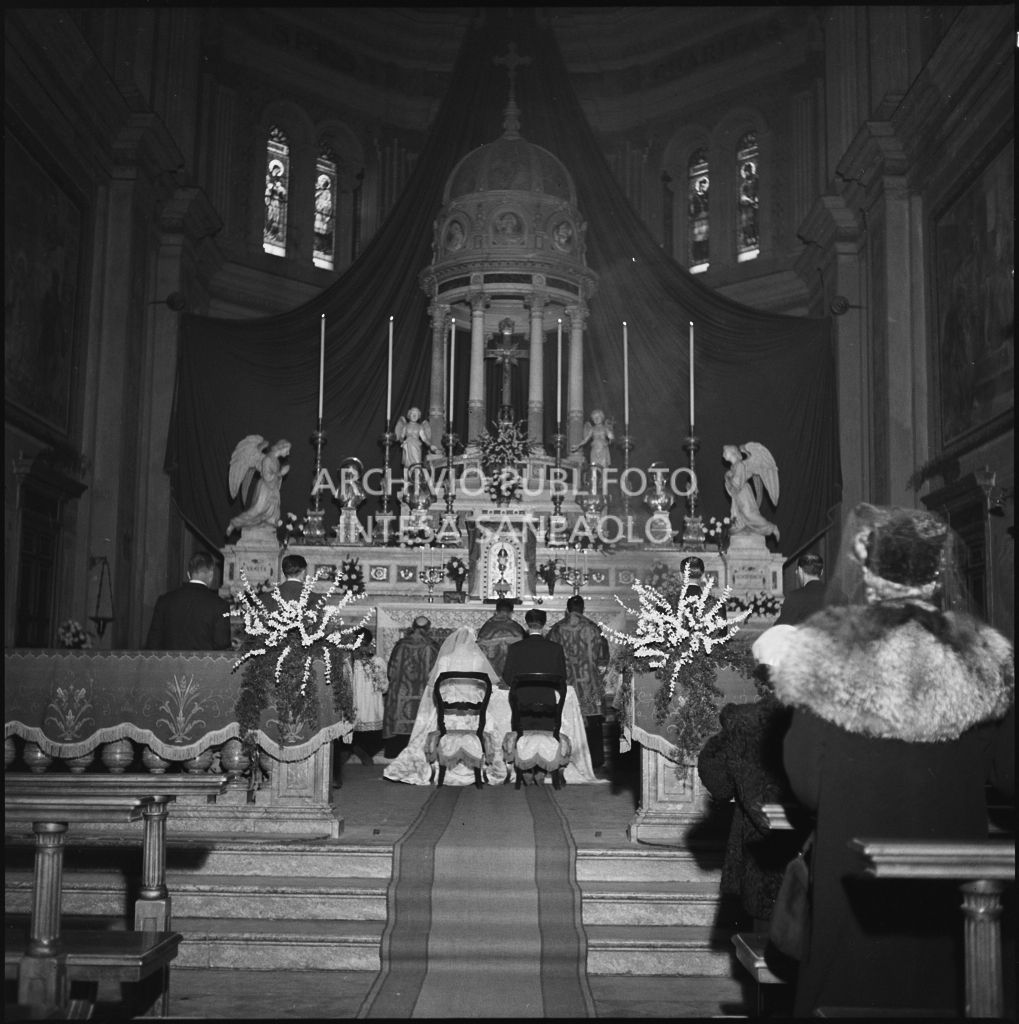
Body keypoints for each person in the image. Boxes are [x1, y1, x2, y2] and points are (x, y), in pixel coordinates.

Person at [772, 503, 1013, 1017]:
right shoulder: (984, 655)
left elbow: (806, 784)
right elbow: (1010, 777)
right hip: (961, 894)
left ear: (869, 571)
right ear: (936, 573)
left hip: (853, 882)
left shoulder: (827, 651)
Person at [697, 625, 806, 935]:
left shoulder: (743, 721)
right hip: (813, 852)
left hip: (761, 852)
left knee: (765, 935)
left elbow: (717, 781)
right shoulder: (824, 717)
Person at [383, 626, 502, 786]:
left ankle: (435, 768)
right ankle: (486, 768)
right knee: (492, 722)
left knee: (428, 726)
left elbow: (436, 685)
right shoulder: (478, 659)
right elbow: (485, 685)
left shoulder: (445, 659)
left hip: (447, 713)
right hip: (474, 713)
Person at [547, 596, 610, 772]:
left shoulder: (557, 629)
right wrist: (598, 674)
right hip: (589, 681)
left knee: (565, 718)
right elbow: (603, 659)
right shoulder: (593, 628)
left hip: (565, 682)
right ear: (583, 609)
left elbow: (550, 656)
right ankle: (595, 760)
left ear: (567, 610)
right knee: (592, 720)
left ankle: (564, 758)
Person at [145, 551, 231, 651]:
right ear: (211, 575)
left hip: (170, 665)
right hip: (203, 666)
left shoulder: (164, 601)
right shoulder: (220, 605)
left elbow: (153, 643)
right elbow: (222, 645)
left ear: (188, 574)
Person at [382, 615, 440, 760]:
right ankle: (420, 752)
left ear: (413, 627)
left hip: (401, 690)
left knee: (397, 712)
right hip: (422, 692)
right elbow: (436, 673)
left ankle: (395, 752)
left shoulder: (401, 645)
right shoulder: (431, 646)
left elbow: (391, 671)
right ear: (428, 629)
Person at [335, 627, 388, 773]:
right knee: (372, 735)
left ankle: (353, 748)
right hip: (368, 706)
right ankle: (356, 749)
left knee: (356, 733)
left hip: (358, 705)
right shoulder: (376, 661)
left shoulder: (349, 661)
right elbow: (384, 687)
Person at [227, 435, 292, 535]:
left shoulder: (276, 461)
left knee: (271, 515)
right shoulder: (268, 458)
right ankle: (234, 523)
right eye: (287, 450)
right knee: (257, 510)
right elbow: (267, 476)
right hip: (265, 489)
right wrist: (281, 473)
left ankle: (265, 530)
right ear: (281, 448)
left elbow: (275, 477)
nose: (288, 453)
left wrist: (279, 474)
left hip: (272, 491)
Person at [722, 442, 780, 540]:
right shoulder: (734, 466)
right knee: (739, 517)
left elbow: (737, 483)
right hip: (737, 495)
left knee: (750, 514)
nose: (723, 454)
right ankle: (744, 529)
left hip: (743, 494)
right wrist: (728, 477)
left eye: (725, 452)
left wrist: (728, 477)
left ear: (732, 453)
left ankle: (772, 528)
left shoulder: (740, 465)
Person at [502, 608, 568, 692]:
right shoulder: (556, 648)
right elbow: (562, 677)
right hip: (548, 699)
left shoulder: (515, 648)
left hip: (520, 700)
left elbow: (508, 678)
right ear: (544, 624)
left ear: (527, 624)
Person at [476, 598, 526, 682]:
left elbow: (479, 649)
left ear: (496, 611)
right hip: (511, 677)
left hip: (489, 677)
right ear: (511, 613)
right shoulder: (517, 628)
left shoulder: (486, 628)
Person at [775, 553, 824, 625]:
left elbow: (781, 628)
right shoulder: (840, 596)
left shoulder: (795, 597)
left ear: (800, 570)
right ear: (822, 571)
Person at [572, 410, 614, 491]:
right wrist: (578, 446)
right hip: (594, 450)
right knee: (593, 470)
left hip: (603, 450)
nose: (596, 419)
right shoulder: (592, 429)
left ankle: (604, 490)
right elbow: (585, 439)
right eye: (594, 418)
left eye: (597, 417)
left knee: (603, 470)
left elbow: (611, 439)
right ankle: (594, 489)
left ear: (601, 418)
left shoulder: (605, 428)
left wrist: (610, 438)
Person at [394, 407, 436, 473]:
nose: (414, 415)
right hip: (408, 446)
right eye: (412, 414)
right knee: (408, 466)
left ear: (418, 416)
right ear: (409, 415)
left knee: (417, 464)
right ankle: (407, 479)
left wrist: (430, 445)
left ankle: (417, 478)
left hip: (416, 447)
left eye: (416, 414)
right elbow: (401, 437)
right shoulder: (405, 426)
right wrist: (402, 442)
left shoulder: (420, 427)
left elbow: (424, 439)